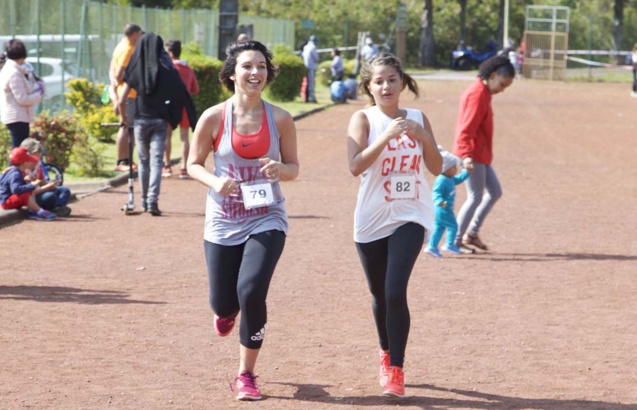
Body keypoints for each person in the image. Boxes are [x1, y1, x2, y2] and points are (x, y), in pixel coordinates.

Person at [186, 40, 299, 401]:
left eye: (262, 67)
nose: (256, 73)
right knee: (224, 302)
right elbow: (191, 164)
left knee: (251, 291)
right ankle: (225, 312)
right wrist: (216, 180)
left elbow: (294, 168)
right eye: (248, 66)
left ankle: (246, 374)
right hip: (222, 220)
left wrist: (281, 169)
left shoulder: (280, 118)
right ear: (232, 74)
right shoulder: (214, 117)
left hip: (267, 217)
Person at [346, 52, 442, 397]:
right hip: (372, 217)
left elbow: (436, 166)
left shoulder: (418, 117)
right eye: (378, 81)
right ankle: (385, 353)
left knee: (394, 289)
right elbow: (355, 165)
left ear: (402, 82)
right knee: (379, 294)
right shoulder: (363, 119)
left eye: (391, 79)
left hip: (410, 214)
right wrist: (386, 137)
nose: (386, 86)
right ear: (368, 87)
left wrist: (424, 137)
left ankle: (397, 369)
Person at [118, 32, 197, 216]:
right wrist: (172, 115)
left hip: (141, 120)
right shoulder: (166, 68)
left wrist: (124, 118)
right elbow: (181, 91)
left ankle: (145, 201)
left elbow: (121, 100)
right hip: (161, 121)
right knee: (156, 162)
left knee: (144, 162)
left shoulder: (136, 67)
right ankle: (153, 201)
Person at [452, 55, 514, 253]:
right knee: (475, 197)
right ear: (493, 75)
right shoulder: (477, 94)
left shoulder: (484, 93)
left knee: (494, 192)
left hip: (481, 154)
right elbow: (466, 129)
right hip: (472, 154)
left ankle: (472, 233)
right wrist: (466, 155)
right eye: (502, 84)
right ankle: (455, 240)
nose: (501, 90)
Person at [162, 39, 200, 179]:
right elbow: (195, 89)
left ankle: (167, 167)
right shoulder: (188, 69)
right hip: (185, 104)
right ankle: (184, 168)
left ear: (170, 53)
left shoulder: (167, 67)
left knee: (167, 136)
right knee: (185, 138)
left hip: (169, 105)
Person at [110, 23, 143, 172]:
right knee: (126, 127)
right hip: (128, 94)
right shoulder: (128, 49)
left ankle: (127, 159)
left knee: (129, 128)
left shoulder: (120, 45)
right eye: (140, 34)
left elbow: (112, 69)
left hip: (125, 93)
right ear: (135, 34)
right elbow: (118, 73)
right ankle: (122, 161)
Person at [424, 147, 469, 257]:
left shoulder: (451, 178)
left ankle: (432, 247)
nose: (455, 169)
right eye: (453, 167)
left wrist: (467, 171)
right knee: (453, 226)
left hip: (443, 210)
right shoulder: (441, 180)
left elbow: (459, 179)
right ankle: (449, 245)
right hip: (443, 209)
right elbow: (436, 193)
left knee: (439, 228)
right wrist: (441, 202)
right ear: (446, 168)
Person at [0, 39, 43, 149]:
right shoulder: (14, 73)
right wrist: (38, 95)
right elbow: (22, 98)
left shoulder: (10, 70)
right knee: (19, 152)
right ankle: (12, 167)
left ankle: (14, 166)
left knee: (19, 152)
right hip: (17, 117)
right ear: (22, 56)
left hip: (16, 116)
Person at [0, 147, 56, 221]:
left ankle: (32, 211)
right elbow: (15, 190)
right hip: (6, 202)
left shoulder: (12, 170)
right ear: (25, 163)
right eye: (29, 161)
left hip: (9, 199)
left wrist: (27, 183)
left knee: (29, 189)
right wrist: (31, 185)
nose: (31, 163)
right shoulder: (16, 173)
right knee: (26, 193)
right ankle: (40, 211)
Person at [20, 137, 72, 216]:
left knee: (65, 190)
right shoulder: (22, 169)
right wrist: (47, 187)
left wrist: (51, 183)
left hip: (39, 191)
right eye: (35, 157)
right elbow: (27, 192)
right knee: (49, 197)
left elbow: (42, 181)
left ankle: (57, 208)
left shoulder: (38, 165)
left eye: (38, 157)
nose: (37, 160)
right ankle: (53, 208)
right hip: (31, 197)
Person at [301, 35, 319, 103]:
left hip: (305, 67)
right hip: (311, 67)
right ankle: (312, 98)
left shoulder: (305, 47)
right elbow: (316, 58)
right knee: (311, 83)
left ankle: (305, 98)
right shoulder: (313, 47)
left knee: (306, 83)